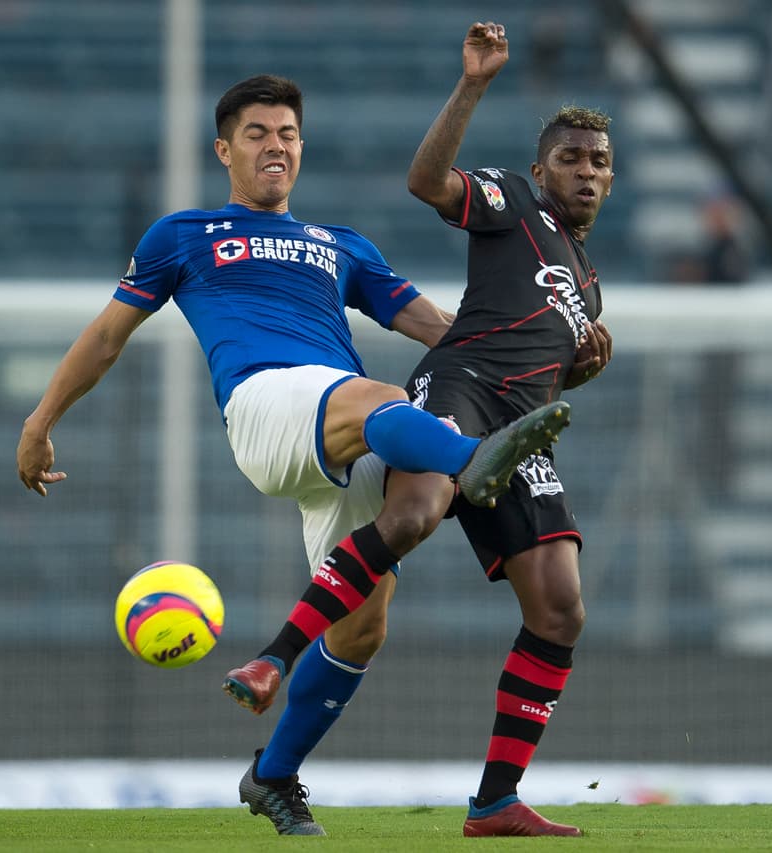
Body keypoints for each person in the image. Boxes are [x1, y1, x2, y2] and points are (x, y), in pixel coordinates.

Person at [15, 73, 573, 831]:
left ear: (301, 149)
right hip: (269, 405)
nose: (274, 145)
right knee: (385, 399)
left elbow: (444, 331)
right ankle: (471, 456)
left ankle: (272, 774)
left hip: (344, 431)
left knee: (364, 624)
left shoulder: (342, 246)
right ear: (224, 149)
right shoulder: (183, 235)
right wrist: (42, 419)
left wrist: (553, 356)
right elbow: (108, 335)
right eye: (256, 133)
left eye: (286, 134)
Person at [224, 22, 615, 838]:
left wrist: (581, 370)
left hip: (521, 427)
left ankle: (496, 800)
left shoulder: (589, 286)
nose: (585, 170)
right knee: (411, 514)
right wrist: (473, 84)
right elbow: (426, 180)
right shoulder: (513, 200)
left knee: (561, 607)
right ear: (543, 168)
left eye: (599, 162)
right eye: (571, 158)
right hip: (457, 387)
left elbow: (540, 361)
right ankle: (275, 655)